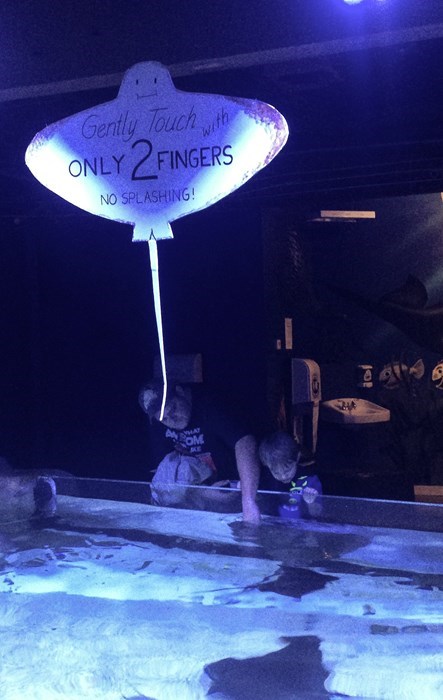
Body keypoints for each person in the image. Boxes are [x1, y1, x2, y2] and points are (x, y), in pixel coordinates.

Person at [138, 380, 261, 524]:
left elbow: (245, 442)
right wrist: (202, 492)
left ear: (180, 391)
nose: (172, 420)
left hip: (241, 483)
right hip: (206, 491)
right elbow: (165, 473)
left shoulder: (211, 404)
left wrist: (248, 501)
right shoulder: (159, 424)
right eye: (164, 419)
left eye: (173, 409)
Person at [258, 431, 322, 518]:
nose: (283, 477)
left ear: (297, 457)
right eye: (276, 472)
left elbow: (316, 513)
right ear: (267, 465)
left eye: (287, 470)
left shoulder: (310, 479)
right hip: (276, 524)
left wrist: (311, 503)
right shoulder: (266, 479)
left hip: (303, 525)